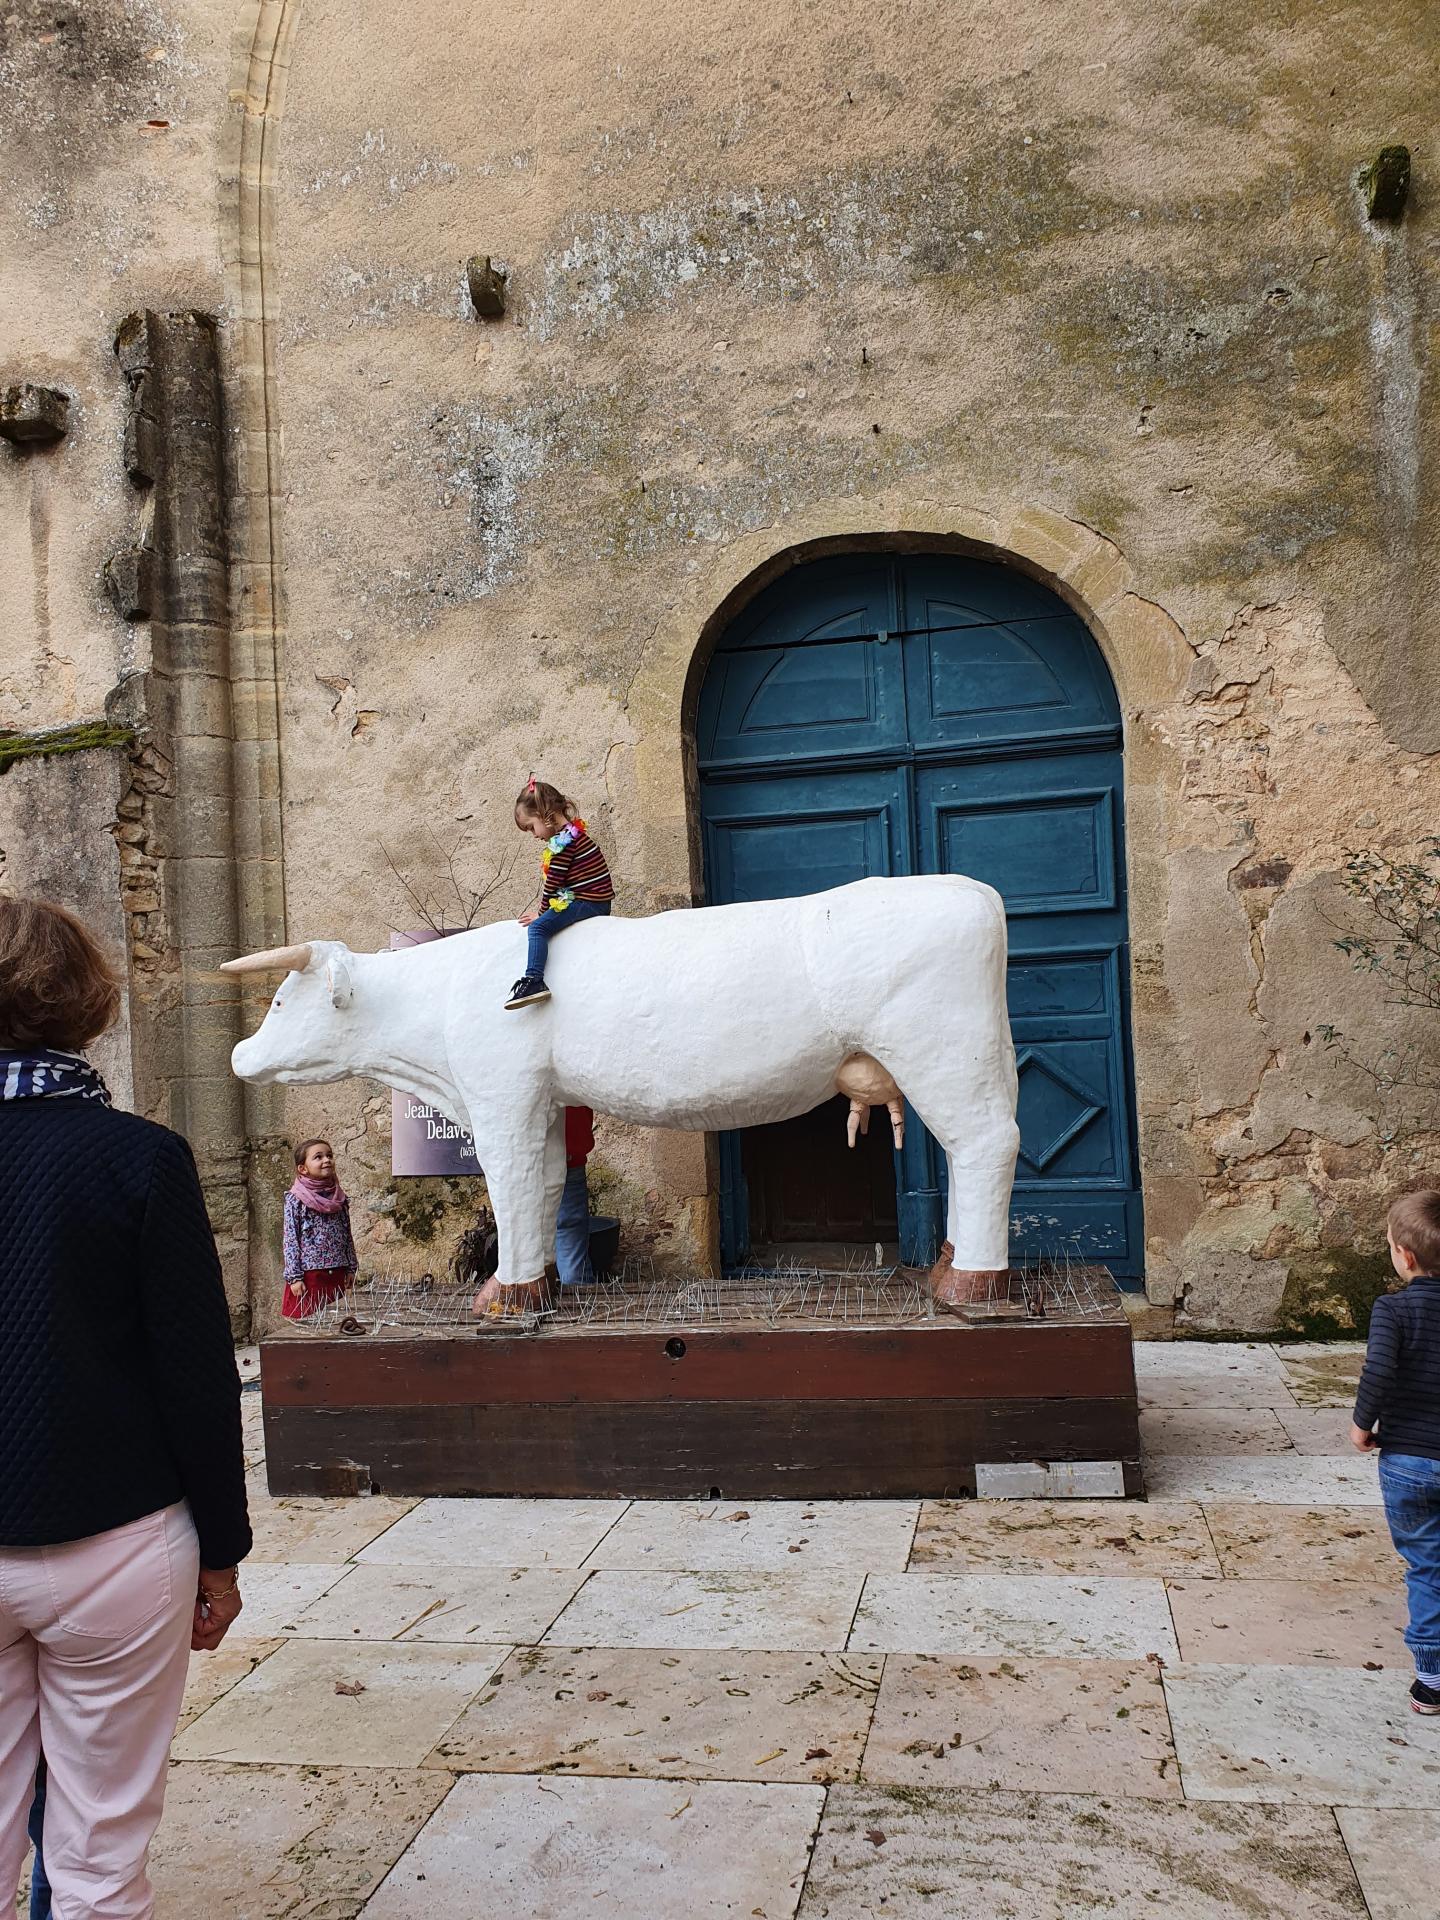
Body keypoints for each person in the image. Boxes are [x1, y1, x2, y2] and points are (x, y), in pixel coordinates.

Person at [0, 895, 250, 1916]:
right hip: (117, 1545)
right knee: (101, 1855)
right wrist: (222, 1557)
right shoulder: (141, 1158)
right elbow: (194, 1375)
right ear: (90, 1005)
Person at [1350, 1190, 1440, 1715]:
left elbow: (1378, 1371)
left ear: (1404, 1257)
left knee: (1427, 1565)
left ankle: (1432, 1681)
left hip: (1408, 1461)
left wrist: (1362, 1425)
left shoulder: (1393, 1309)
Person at [505, 777, 614, 1009]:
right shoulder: (574, 835)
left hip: (589, 902)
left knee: (537, 928)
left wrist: (542, 913)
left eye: (531, 827)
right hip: (593, 899)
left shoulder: (563, 845)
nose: (534, 835)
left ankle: (534, 980)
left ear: (545, 814)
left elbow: (553, 884)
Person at [282, 1137, 358, 1320]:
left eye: (329, 1155)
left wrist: (351, 1267)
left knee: (336, 1320)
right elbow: (291, 1238)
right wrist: (295, 1277)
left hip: (337, 1272)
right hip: (310, 1275)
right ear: (303, 1168)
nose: (326, 1160)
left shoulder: (339, 1198)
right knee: (310, 1323)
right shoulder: (296, 1200)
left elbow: (346, 1233)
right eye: (318, 1157)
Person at [557, 1106, 597, 1288]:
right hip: (569, 1157)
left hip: (527, 1163)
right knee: (569, 1239)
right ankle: (579, 1309)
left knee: (525, 1239)